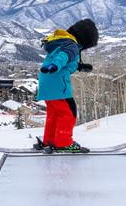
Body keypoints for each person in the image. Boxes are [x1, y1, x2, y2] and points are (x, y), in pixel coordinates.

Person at [34, 19, 99, 153]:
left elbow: (65, 59)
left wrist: (80, 66)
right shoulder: (71, 46)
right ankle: (63, 143)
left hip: (47, 82)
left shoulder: (61, 42)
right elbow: (64, 57)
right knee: (68, 113)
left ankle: (49, 141)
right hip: (58, 83)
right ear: (85, 39)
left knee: (54, 114)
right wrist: (56, 65)